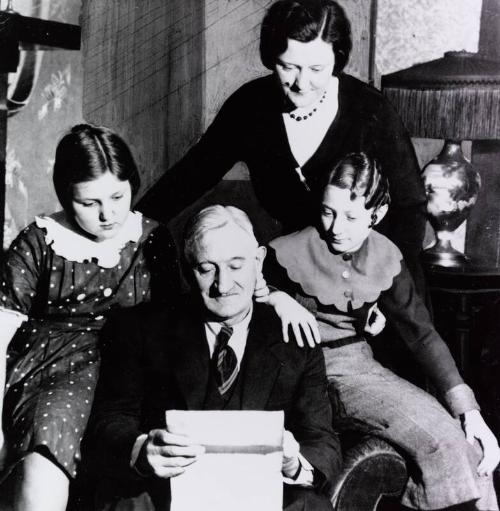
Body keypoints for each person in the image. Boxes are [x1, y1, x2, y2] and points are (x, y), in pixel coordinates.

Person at [137, 0, 426, 292]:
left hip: (374, 274)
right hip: (294, 272)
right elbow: (189, 176)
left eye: (317, 68)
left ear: (336, 60)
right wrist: (132, 224)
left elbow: (410, 206)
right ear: (271, 57)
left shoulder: (370, 110)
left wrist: (386, 285)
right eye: (288, 66)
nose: (302, 83)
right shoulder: (250, 106)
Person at [264, 152, 500, 511]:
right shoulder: (289, 250)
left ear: (379, 214)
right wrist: (276, 298)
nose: (335, 228)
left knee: (471, 446)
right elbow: (232, 289)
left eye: (351, 216)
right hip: (307, 375)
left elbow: (421, 334)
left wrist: (469, 411)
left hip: (361, 368)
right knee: (445, 443)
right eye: (328, 211)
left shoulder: (385, 255)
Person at [89, 205, 340, 511]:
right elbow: (109, 420)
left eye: (236, 266)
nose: (223, 285)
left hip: (259, 498)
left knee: (311, 507)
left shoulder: (294, 338)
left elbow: (322, 440)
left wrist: (292, 463)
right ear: (186, 268)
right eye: (206, 269)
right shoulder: (141, 329)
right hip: (170, 495)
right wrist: (142, 450)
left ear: (258, 261)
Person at [0, 124, 180, 511]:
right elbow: (2, 330)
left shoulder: (153, 238)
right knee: (51, 434)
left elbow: (176, 320)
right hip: (54, 370)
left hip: (133, 370)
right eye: (89, 203)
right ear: (67, 195)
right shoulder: (40, 240)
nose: (108, 214)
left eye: (118, 196)